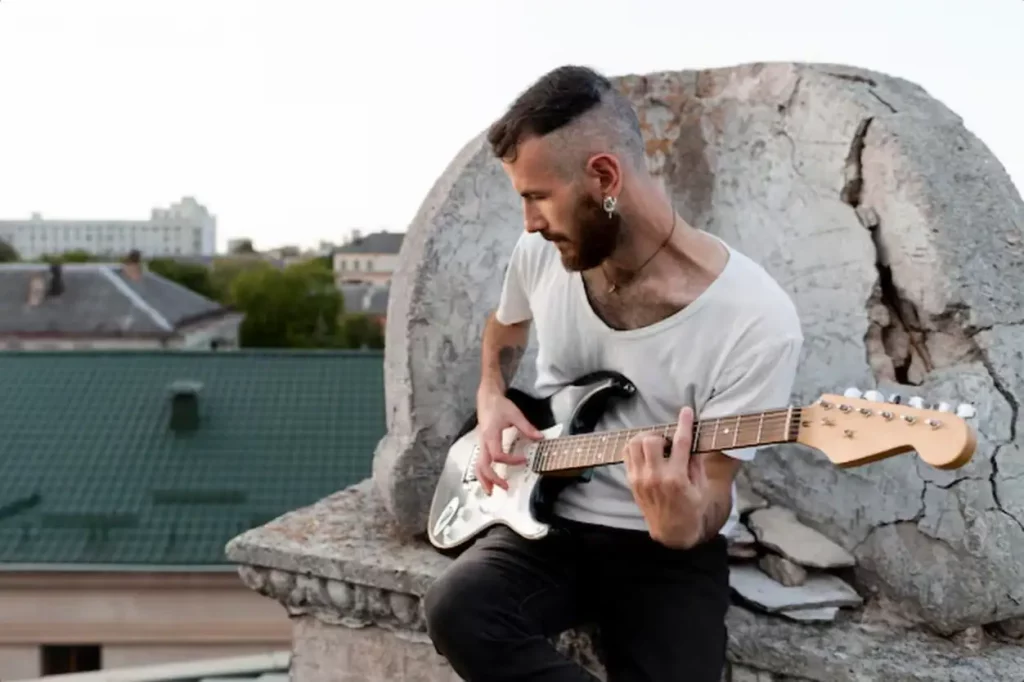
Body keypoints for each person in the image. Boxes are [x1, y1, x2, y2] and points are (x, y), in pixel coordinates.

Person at [423, 64, 804, 682]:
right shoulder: (539, 255)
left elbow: (714, 488)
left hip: (663, 550)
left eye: (537, 196)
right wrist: (491, 394)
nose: (529, 223)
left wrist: (686, 525)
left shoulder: (755, 320)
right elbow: (506, 327)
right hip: (547, 522)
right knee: (456, 609)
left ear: (603, 177)